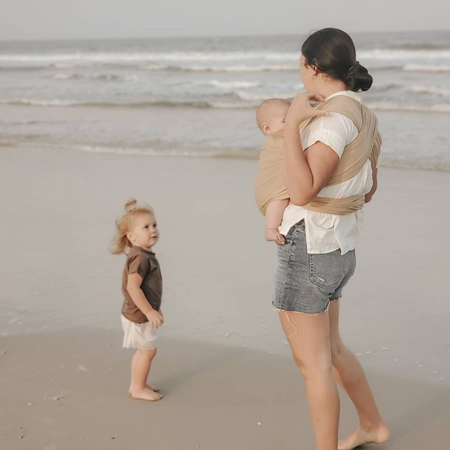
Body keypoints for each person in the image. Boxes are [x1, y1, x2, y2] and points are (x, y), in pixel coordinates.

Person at [272, 28, 390, 450]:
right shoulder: (361, 112)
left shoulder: (332, 120)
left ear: (314, 67)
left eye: (301, 64)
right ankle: (372, 425)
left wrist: (292, 125)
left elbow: (303, 190)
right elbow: (368, 188)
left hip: (310, 246)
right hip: (339, 247)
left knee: (315, 365)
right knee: (333, 350)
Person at [112, 199, 164, 402]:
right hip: (138, 315)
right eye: (146, 227)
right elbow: (133, 288)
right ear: (131, 236)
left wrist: (154, 309)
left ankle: (138, 383)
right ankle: (137, 387)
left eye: (154, 225)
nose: (153, 230)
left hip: (138, 312)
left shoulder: (142, 254)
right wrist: (149, 312)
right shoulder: (141, 257)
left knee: (145, 351)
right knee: (147, 351)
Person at [254, 98, 291, 243]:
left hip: (277, 184)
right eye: (285, 121)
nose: (292, 123)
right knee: (279, 200)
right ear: (267, 128)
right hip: (270, 191)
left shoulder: (285, 136)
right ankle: (270, 229)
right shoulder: (276, 138)